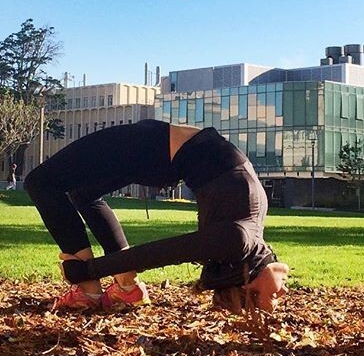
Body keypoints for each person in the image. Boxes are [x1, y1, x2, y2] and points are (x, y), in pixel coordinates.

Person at [24, 119, 289, 313]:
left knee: (40, 182)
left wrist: (85, 270)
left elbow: (159, 253)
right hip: (161, 155)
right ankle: (127, 288)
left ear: (248, 285)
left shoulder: (237, 241)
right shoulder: (248, 243)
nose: (284, 292)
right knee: (83, 195)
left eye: (274, 297)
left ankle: (87, 289)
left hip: (151, 147)